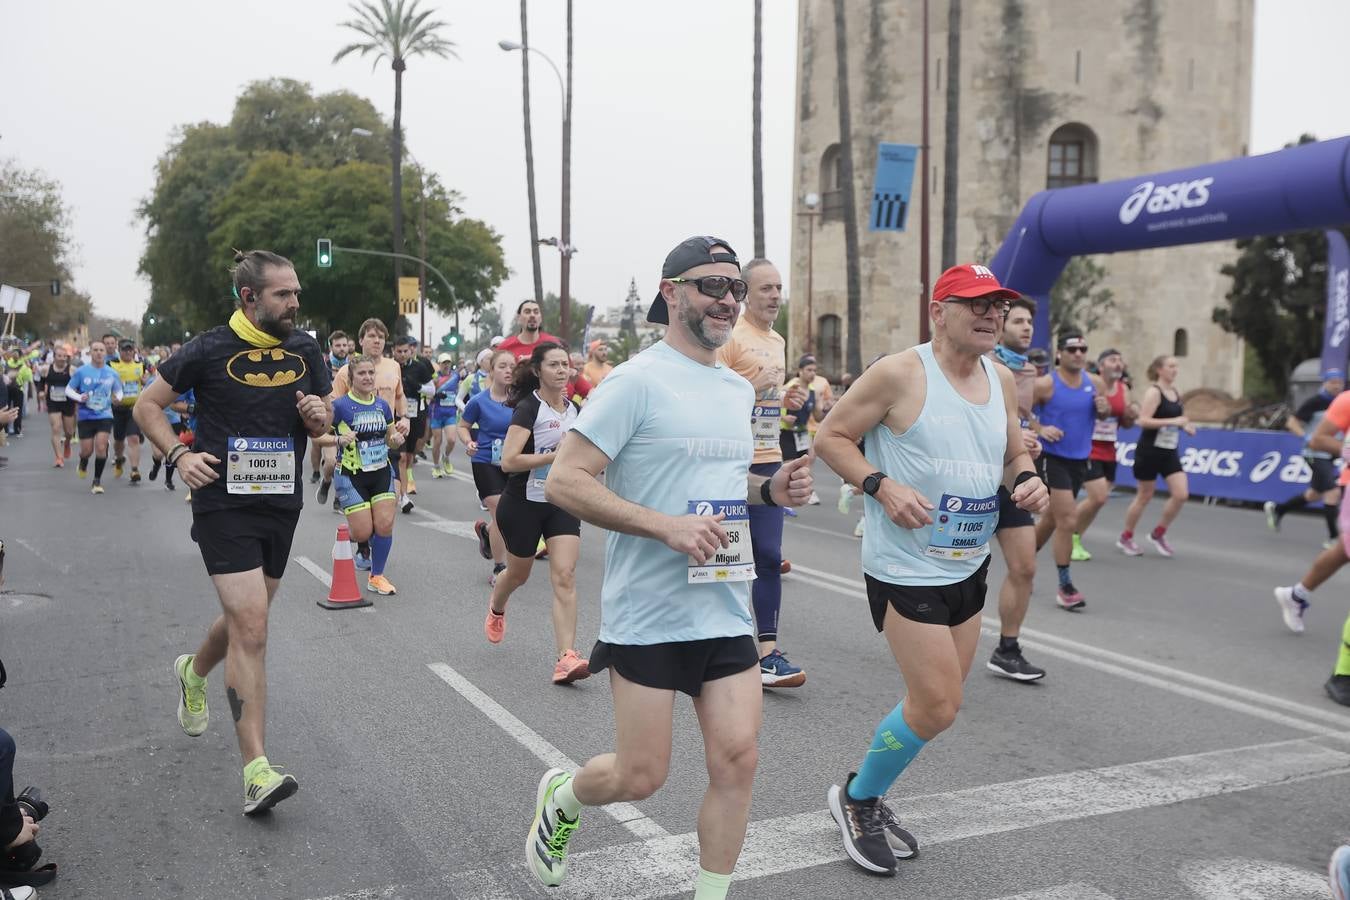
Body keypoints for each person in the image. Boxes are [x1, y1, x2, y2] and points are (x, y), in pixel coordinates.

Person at [526, 236, 813, 897]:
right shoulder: (635, 381)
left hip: (722, 605)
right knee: (640, 776)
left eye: (735, 288)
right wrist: (665, 526)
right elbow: (567, 481)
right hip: (650, 614)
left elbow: (721, 481)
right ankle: (564, 797)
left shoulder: (733, 389)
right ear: (671, 292)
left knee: (738, 760)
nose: (728, 299)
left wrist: (770, 489)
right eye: (711, 286)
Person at [813, 262, 1047, 875]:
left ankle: (865, 788)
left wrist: (1025, 478)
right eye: (977, 304)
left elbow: (1012, 448)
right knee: (939, 703)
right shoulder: (900, 373)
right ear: (938, 312)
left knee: (936, 704)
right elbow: (831, 436)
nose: (992, 314)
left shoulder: (1001, 378)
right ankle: (858, 800)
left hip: (966, 562)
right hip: (904, 565)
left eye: (998, 305)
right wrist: (881, 486)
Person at [133, 248, 332, 816]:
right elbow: (149, 406)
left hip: (280, 503)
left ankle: (193, 671)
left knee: (251, 615)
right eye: (283, 294)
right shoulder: (207, 349)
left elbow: (322, 416)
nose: (295, 302)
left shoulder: (305, 348)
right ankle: (256, 771)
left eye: (296, 292)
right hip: (222, 502)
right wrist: (177, 455)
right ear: (249, 298)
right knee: (253, 626)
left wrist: (319, 419)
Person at [717, 257, 807, 688]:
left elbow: (765, 403)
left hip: (768, 453)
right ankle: (717, 646)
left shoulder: (778, 340)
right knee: (726, 558)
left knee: (769, 556)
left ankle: (768, 654)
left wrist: (784, 402)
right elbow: (711, 396)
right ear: (745, 293)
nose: (774, 296)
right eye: (766, 288)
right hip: (730, 458)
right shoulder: (732, 337)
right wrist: (753, 386)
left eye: (778, 288)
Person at [484, 343, 590, 684]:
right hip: (523, 503)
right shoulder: (529, 409)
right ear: (538, 371)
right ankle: (497, 606)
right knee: (518, 574)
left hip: (560, 502)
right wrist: (551, 458)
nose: (563, 370)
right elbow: (509, 461)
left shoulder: (575, 411)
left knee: (565, 575)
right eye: (555, 365)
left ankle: (566, 658)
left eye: (567, 365)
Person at [1270, 385, 1350, 706]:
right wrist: (1345, 447)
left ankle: (1297, 595)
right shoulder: (1346, 400)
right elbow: (1317, 439)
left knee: (1343, 550)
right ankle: (1344, 674)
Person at [986, 296, 1047, 681]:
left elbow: (1025, 423)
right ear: (1002, 325)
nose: (1026, 328)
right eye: (1019, 321)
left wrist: (1034, 439)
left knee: (1024, 566)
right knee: (956, 574)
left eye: (1030, 322)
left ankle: (1007, 648)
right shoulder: (982, 364)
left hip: (1012, 477)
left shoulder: (1030, 372)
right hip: (972, 478)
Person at [1031, 331, 1110, 610]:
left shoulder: (1095, 382)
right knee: (1067, 520)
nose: (1078, 353)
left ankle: (1024, 563)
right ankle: (1065, 586)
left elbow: (1104, 414)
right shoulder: (1045, 385)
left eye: (1083, 349)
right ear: (1059, 354)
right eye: (1072, 349)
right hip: (1053, 458)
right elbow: (1017, 408)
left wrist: (1103, 409)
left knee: (1052, 520)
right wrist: (1040, 428)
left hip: (1080, 459)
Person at [315, 353, 404, 595]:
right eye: (361, 373)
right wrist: (337, 438)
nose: (367, 377)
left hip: (381, 472)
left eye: (370, 373)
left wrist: (396, 439)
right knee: (363, 532)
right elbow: (317, 435)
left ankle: (377, 576)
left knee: (385, 525)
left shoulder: (382, 405)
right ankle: (346, 536)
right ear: (351, 378)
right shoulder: (340, 406)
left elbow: (391, 440)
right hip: (351, 475)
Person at [325, 319, 408, 512]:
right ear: (361, 340)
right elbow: (332, 408)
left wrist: (405, 418)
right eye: (372, 336)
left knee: (389, 503)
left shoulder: (394, 366)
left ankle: (371, 534)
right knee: (329, 464)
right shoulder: (346, 371)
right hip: (353, 446)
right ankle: (330, 482)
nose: (377, 341)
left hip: (385, 438)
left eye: (381, 337)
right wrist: (335, 440)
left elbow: (400, 395)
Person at [1117, 355, 1194, 557]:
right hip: (1149, 450)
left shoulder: (1175, 392)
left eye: (1176, 366)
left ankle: (1159, 533)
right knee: (1144, 495)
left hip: (1169, 451)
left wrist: (1186, 425)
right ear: (1159, 369)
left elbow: (1177, 419)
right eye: (1170, 366)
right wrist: (1174, 421)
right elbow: (1142, 421)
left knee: (1181, 494)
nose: (1175, 370)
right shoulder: (1154, 392)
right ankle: (1126, 536)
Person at [1071, 348, 1137, 560]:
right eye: (1112, 360)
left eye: (1120, 360)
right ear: (1101, 366)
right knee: (1098, 497)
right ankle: (1068, 532)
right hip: (1088, 448)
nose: (1118, 363)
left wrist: (1131, 415)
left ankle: (1075, 536)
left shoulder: (1123, 389)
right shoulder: (1089, 385)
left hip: (1110, 450)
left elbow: (1125, 424)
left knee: (1100, 499)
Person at [1265, 370, 1345, 544]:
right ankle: (1333, 538)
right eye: (1333, 382)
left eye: (1340, 382)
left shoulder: (1342, 402)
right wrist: (1306, 437)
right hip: (1313, 453)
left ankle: (1278, 509)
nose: (1337, 386)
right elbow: (1291, 422)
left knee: (1315, 494)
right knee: (1333, 491)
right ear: (1325, 383)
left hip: (1332, 453)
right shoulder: (1316, 402)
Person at [460, 349, 516, 585]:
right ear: (491, 371)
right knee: (501, 510)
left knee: (511, 515)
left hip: (513, 462)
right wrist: (469, 441)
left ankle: (486, 532)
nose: (508, 370)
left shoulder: (522, 401)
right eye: (502, 366)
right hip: (485, 461)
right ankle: (499, 568)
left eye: (512, 366)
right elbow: (463, 426)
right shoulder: (478, 401)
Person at [66, 341, 123, 494]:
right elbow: (68, 389)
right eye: (95, 350)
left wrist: (118, 398)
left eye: (101, 350)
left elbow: (119, 391)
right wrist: (79, 397)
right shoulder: (82, 372)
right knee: (86, 450)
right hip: (85, 416)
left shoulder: (111, 373)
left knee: (101, 446)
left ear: (106, 353)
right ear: (90, 352)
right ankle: (83, 462)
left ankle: (96, 481)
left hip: (104, 414)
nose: (98, 353)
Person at [393, 336, 435, 512]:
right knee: (401, 456)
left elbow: (432, 389)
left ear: (410, 350)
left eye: (405, 351)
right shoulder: (391, 367)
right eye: (399, 351)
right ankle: (403, 496)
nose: (403, 355)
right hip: (396, 415)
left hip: (415, 412)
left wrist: (417, 387)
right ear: (394, 351)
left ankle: (407, 474)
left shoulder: (420, 367)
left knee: (411, 453)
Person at [310, 330, 351, 484]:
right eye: (338, 345)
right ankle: (316, 471)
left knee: (338, 462)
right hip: (324, 415)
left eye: (344, 345)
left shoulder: (353, 367)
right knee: (318, 446)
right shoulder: (322, 364)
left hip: (345, 419)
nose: (342, 348)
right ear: (331, 346)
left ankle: (336, 496)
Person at [110, 340, 148, 484]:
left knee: (134, 438)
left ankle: (134, 470)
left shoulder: (140, 365)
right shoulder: (112, 365)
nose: (127, 352)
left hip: (134, 408)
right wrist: (112, 396)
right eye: (125, 350)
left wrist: (145, 381)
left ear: (134, 351)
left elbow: (149, 381)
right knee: (119, 439)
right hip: (118, 409)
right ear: (119, 351)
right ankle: (119, 458)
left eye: (130, 350)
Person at [39, 344, 75, 468]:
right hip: (53, 402)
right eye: (59, 356)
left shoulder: (72, 370)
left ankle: (67, 442)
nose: (62, 358)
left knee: (69, 432)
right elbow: (41, 382)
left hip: (68, 403)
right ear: (54, 357)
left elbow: (78, 384)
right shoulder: (46, 369)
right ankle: (59, 458)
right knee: (56, 428)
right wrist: (41, 391)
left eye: (64, 356)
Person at [428, 352, 460, 477]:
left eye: (448, 362)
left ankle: (446, 457)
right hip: (436, 412)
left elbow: (461, 390)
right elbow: (427, 394)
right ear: (439, 364)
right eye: (443, 363)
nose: (446, 365)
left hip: (450, 412)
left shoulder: (455, 377)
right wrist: (435, 394)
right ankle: (436, 466)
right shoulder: (435, 378)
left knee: (452, 440)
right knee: (437, 441)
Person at [498, 300, 562, 362]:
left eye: (536, 312)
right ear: (518, 318)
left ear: (541, 318)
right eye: (527, 312)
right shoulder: (505, 348)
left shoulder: (553, 344)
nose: (532, 315)